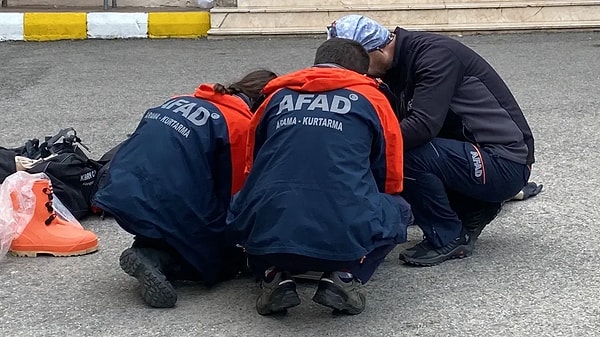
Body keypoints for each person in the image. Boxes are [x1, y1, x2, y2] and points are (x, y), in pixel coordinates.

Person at [327, 15, 535, 266]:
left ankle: (447, 236)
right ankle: (474, 204)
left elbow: (422, 127)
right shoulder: (394, 64)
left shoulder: (435, 56)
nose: (359, 73)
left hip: (505, 162)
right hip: (467, 152)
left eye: (360, 65)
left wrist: (357, 147)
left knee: (403, 153)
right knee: (390, 147)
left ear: (379, 49)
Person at [226, 38, 413, 316]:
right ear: (360, 73)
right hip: (341, 231)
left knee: (246, 200)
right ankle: (344, 276)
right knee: (400, 209)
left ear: (315, 65)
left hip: (270, 224)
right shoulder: (373, 100)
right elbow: (390, 175)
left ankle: (273, 274)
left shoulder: (275, 97)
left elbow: (252, 166)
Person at [92, 69, 277, 308]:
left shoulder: (179, 99)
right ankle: (156, 257)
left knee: (183, 204)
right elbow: (237, 196)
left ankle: (151, 245)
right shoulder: (238, 124)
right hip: (162, 198)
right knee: (221, 261)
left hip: (118, 187)